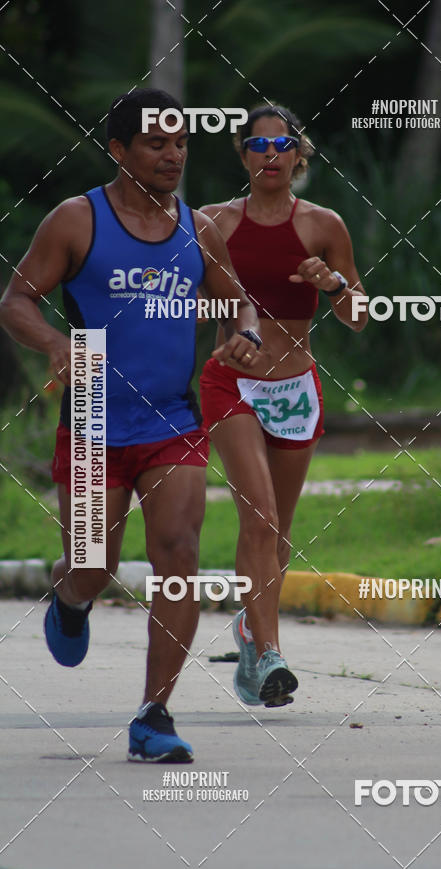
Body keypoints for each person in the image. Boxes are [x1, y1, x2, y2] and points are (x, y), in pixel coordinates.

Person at [0, 88, 261, 763]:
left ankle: (154, 715)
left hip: (172, 420)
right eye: (156, 143)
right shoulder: (76, 219)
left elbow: (238, 303)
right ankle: (71, 595)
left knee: (178, 554)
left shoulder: (198, 230)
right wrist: (55, 343)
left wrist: (245, 334)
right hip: (92, 418)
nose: (173, 155)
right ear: (119, 150)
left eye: (181, 143)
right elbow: (16, 300)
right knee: (95, 565)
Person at [199, 103, 368, 709]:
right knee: (260, 519)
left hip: (296, 389)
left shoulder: (324, 224)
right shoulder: (212, 222)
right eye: (257, 144)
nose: (270, 155)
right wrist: (222, 322)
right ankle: (271, 652)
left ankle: (250, 637)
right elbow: (187, 302)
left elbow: (358, 315)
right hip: (232, 384)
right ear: (242, 154)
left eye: (282, 145)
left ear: (300, 155)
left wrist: (334, 285)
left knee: (280, 532)